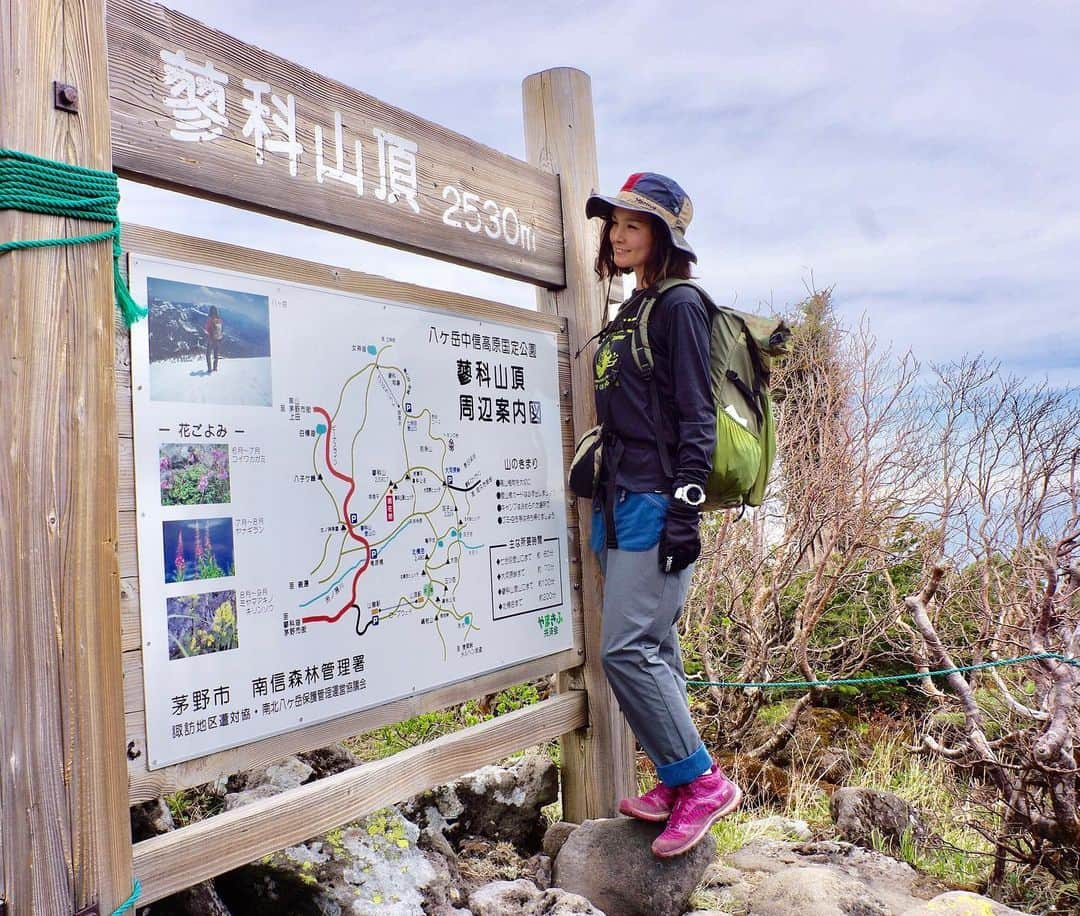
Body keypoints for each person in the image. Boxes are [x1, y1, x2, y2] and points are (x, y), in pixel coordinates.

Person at [584, 172, 742, 857]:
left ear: (664, 239)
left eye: (634, 225)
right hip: (617, 499)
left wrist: (686, 508)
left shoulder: (679, 305)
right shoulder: (632, 310)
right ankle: (678, 784)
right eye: (614, 223)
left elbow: (696, 416)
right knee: (655, 651)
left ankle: (702, 783)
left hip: (655, 498)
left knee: (625, 650)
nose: (618, 235)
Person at [204, 305, 224, 373]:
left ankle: (209, 369)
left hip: (211, 339)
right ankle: (215, 369)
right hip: (218, 339)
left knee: (208, 354)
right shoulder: (220, 320)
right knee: (216, 355)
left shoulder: (210, 319)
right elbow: (221, 330)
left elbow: (207, 328)